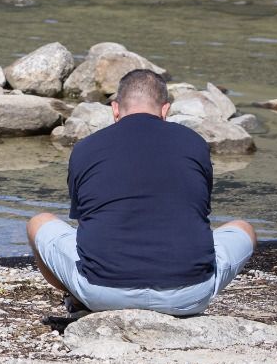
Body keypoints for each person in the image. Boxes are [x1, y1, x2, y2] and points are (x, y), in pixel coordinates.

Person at [26, 68, 256, 316]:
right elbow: (198, 213)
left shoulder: (85, 148)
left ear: (115, 109)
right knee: (245, 229)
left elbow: (85, 221)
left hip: (102, 293)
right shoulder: (195, 143)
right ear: (165, 110)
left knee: (38, 223)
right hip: (189, 294)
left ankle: (78, 297)